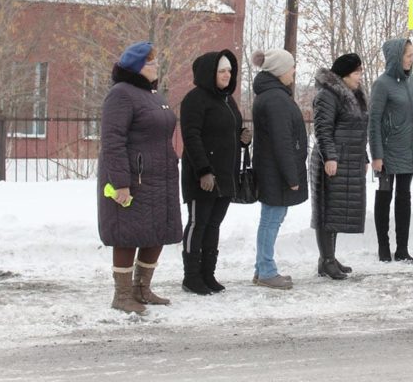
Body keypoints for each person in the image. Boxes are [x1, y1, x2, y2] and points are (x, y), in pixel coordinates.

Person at [97, 41, 182, 314]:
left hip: (161, 177)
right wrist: (120, 182)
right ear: (136, 67)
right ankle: (122, 295)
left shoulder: (154, 95)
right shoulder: (120, 94)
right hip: (134, 179)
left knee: (155, 231)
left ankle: (142, 289)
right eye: (151, 62)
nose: (157, 66)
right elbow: (112, 141)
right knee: (128, 234)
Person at [180, 50, 252, 295]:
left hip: (225, 175)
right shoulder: (195, 99)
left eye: (229, 71)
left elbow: (226, 133)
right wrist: (203, 171)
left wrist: (242, 138)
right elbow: (191, 137)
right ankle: (191, 276)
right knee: (197, 224)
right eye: (221, 71)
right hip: (203, 176)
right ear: (209, 73)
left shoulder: (227, 100)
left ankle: (208, 274)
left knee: (213, 225)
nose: (226, 75)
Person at [251, 48, 308, 289]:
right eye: (291, 67)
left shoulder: (273, 95)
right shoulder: (275, 99)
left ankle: (261, 269)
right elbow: (282, 140)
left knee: (272, 218)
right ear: (279, 70)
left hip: (271, 169)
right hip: (275, 171)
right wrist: (291, 176)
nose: (294, 71)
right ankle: (266, 270)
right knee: (271, 219)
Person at [310, 53, 368, 279]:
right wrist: (330, 157)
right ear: (344, 76)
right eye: (356, 73)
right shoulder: (328, 95)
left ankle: (330, 257)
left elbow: (358, 131)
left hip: (349, 159)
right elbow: (322, 129)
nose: (359, 77)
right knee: (327, 209)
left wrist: (362, 156)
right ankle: (326, 260)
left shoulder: (353, 95)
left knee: (336, 211)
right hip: (332, 160)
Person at [369, 38, 413, 263]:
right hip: (388, 151)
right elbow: (373, 122)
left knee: (404, 198)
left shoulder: (410, 82)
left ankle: (402, 248)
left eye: (412, 55)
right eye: (408, 55)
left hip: (408, 148)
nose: (412, 59)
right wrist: (377, 155)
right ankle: (384, 246)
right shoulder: (382, 85)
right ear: (396, 57)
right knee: (384, 198)